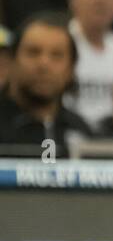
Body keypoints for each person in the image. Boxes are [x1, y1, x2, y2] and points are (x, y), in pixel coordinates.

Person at [0, 13, 94, 155]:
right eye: (33, 52)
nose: (44, 64)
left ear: (71, 69)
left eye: (56, 55)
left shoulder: (81, 130)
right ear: (12, 61)